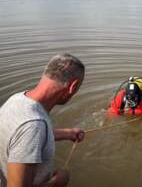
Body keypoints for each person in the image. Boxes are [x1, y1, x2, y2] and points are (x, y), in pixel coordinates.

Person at [0, 53, 85, 187]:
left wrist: (69, 133)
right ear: (72, 87)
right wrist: (58, 182)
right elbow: (30, 132)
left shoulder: (17, 99)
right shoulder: (34, 126)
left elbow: (19, 136)